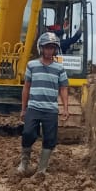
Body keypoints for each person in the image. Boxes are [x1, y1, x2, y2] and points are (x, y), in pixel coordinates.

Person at [18, 31, 69, 175]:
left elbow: (63, 88)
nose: (49, 50)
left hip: (51, 109)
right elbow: (26, 87)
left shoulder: (59, 68)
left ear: (55, 49)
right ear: (41, 48)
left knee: (50, 138)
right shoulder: (32, 65)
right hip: (34, 107)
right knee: (28, 133)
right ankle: (24, 163)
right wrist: (23, 109)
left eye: (52, 48)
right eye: (46, 47)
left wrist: (65, 108)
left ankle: (41, 169)